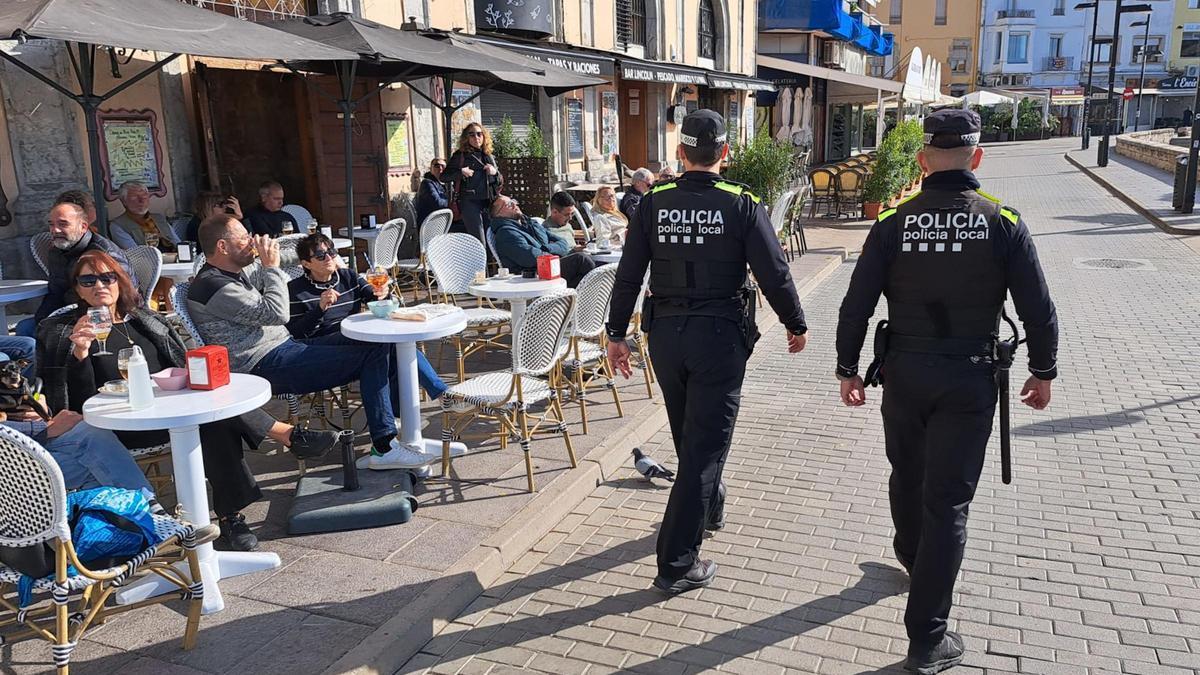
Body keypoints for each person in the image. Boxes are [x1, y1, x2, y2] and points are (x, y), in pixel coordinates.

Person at [835, 109, 1059, 674]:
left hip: (905, 373)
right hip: (968, 377)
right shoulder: (1003, 221)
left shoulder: (892, 222)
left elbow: (856, 304)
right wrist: (1043, 370)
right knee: (948, 502)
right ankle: (928, 637)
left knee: (907, 474)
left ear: (922, 159)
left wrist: (847, 368)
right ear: (977, 157)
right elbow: (1038, 309)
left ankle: (913, 555)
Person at [605, 110, 809, 595]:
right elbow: (774, 271)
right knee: (705, 447)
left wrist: (616, 333)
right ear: (725, 152)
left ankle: (708, 506)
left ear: (681, 153)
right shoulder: (741, 203)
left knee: (689, 435)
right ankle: (676, 563)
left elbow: (629, 273)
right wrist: (795, 322)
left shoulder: (653, 201)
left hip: (667, 337)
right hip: (719, 337)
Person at [37, 251, 339, 551]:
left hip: (168, 407)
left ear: (120, 281)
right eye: (88, 280)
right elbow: (77, 405)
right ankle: (287, 436)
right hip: (119, 425)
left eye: (107, 277)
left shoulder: (145, 320)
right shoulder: (66, 332)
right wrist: (79, 355)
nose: (99, 285)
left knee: (213, 417)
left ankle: (230, 518)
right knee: (212, 420)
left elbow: (179, 363)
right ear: (76, 288)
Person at [187, 215, 438, 470]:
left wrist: (315, 254)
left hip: (285, 348)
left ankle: (392, 422)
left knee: (383, 342)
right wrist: (271, 268)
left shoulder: (233, 270)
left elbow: (286, 258)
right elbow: (278, 314)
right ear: (222, 246)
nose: (251, 240)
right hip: (262, 364)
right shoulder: (214, 286)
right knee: (370, 356)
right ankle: (384, 449)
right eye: (243, 237)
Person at [285, 232, 448, 400]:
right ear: (306, 263)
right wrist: (319, 309)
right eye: (320, 255)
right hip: (321, 344)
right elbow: (296, 334)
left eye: (331, 252)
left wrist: (382, 294)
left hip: (353, 334)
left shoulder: (348, 276)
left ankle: (399, 414)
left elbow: (375, 298)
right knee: (390, 344)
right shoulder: (295, 289)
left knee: (390, 349)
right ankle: (442, 394)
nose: (329, 258)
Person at [16, 201, 137, 337]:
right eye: (51, 224)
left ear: (83, 227)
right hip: (70, 311)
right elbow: (55, 292)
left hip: (101, 315)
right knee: (25, 328)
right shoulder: (57, 251)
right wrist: (43, 322)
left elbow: (129, 295)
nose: (55, 230)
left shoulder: (104, 252)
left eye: (63, 224)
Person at [490, 196, 597, 288]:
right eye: (508, 204)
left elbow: (563, 243)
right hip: (532, 275)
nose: (514, 204)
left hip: (549, 266)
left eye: (512, 201)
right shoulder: (506, 233)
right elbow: (532, 258)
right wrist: (553, 252)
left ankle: (576, 305)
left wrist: (546, 248)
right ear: (498, 214)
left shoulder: (530, 223)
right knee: (581, 260)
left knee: (599, 266)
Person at [443, 123, 501, 242]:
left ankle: (490, 260)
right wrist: (460, 172)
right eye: (472, 135)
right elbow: (444, 177)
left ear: (484, 136)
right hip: (469, 202)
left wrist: (495, 173)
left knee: (491, 239)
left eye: (479, 134)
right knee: (479, 239)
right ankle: (480, 261)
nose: (476, 137)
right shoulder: (460, 156)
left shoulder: (488, 156)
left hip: (488, 202)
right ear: (466, 138)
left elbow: (499, 180)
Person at [108, 181, 179, 251]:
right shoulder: (118, 225)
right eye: (135, 197)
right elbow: (135, 254)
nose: (141, 201)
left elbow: (178, 243)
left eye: (144, 197)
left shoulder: (159, 218)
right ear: (124, 201)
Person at [414, 158, 449, 227]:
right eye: (437, 166)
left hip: (443, 219)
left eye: (443, 166)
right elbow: (438, 203)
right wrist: (453, 202)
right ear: (431, 169)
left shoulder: (447, 184)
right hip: (431, 224)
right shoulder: (427, 183)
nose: (440, 168)